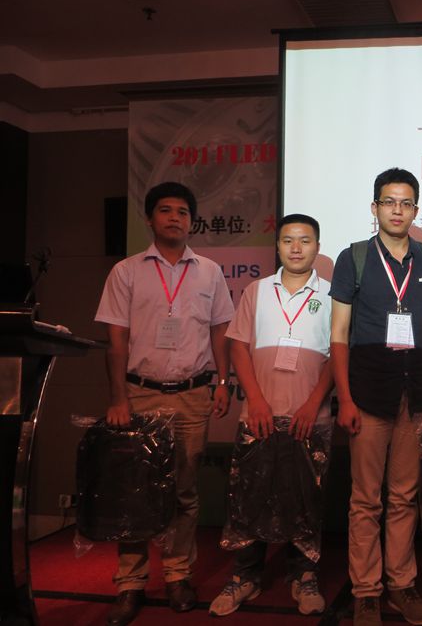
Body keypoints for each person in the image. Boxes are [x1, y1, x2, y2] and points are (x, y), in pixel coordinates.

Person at [95, 181, 233, 625]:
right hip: (140, 394)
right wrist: (118, 397)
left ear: (193, 222)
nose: (175, 218)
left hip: (193, 394)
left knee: (184, 492)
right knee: (134, 491)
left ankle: (177, 575)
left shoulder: (209, 272)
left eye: (183, 212)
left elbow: (220, 331)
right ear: (150, 219)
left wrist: (224, 382)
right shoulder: (126, 272)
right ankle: (130, 582)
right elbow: (116, 340)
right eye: (166, 210)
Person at [330, 167, 422, 626]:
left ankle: (401, 584)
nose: (397, 210)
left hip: (416, 392)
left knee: (404, 495)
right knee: (366, 499)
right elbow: (338, 334)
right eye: (389, 202)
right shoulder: (354, 258)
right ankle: (366, 590)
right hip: (367, 391)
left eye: (405, 203)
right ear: (375, 207)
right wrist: (344, 398)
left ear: (416, 210)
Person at [208, 213, 333, 617]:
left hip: (310, 417)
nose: (296, 248)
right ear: (277, 246)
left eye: (305, 240)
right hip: (258, 415)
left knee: (306, 497)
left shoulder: (333, 294)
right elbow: (239, 346)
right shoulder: (257, 290)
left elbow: (338, 354)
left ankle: (304, 575)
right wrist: (256, 400)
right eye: (288, 240)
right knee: (250, 495)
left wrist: (313, 403)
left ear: (317, 247)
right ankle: (245, 575)